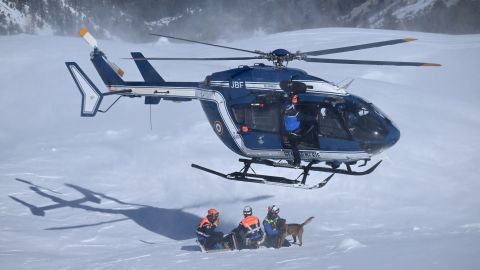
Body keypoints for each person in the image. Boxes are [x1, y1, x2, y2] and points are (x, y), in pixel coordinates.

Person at [283, 99, 302, 167]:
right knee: (287, 144)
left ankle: (297, 162)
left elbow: (305, 117)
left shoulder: (296, 114)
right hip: (289, 133)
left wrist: (315, 118)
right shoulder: (285, 114)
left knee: (294, 146)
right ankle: (289, 158)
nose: (286, 110)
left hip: (295, 133)